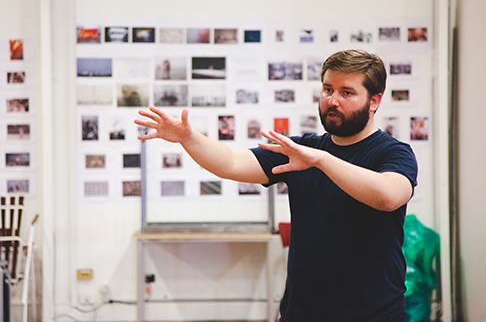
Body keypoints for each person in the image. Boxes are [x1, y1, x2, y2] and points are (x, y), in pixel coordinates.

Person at [134, 49, 418, 322]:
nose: (332, 101)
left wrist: (322, 160)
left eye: (347, 92)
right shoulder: (302, 149)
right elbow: (230, 163)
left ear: (374, 101)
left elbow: (389, 196)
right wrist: (188, 137)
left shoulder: (392, 153)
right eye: (328, 89)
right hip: (301, 313)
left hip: (372, 314)